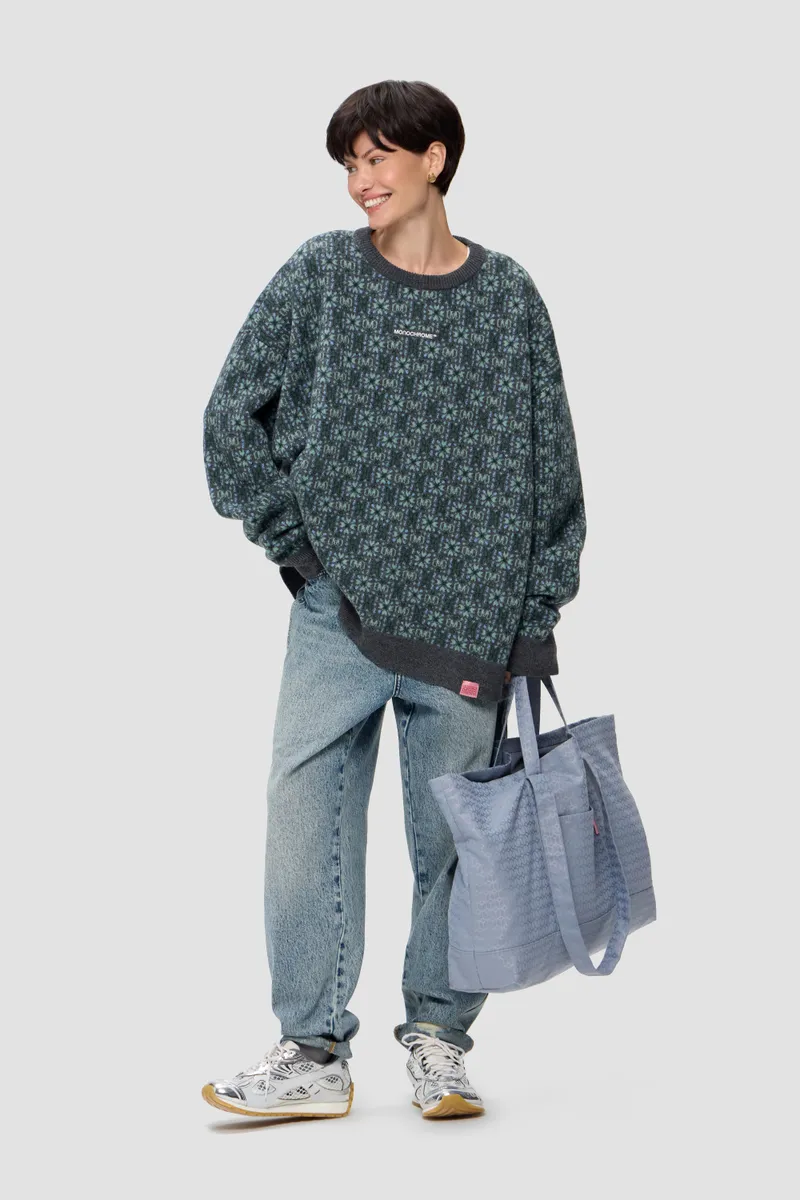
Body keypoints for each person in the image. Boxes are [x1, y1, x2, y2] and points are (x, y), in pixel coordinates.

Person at [200, 79, 586, 1121]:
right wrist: (295, 550)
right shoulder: (319, 275)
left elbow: (550, 466)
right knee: (300, 823)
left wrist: (535, 615)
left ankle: (439, 1043)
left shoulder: (507, 297)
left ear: (434, 158)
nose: (360, 181)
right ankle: (312, 1052)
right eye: (349, 165)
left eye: (376, 158)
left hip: (469, 619)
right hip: (337, 615)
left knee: (454, 839)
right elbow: (230, 414)